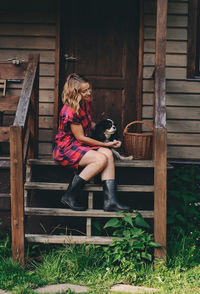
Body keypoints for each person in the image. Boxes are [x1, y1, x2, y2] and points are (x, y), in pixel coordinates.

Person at [53, 73, 129, 212]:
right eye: (85, 91)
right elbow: (80, 137)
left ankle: (110, 202)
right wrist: (106, 144)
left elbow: (88, 123)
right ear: (75, 93)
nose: (89, 92)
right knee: (100, 159)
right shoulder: (69, 111)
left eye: (89, 89)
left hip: (80, 144)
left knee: (108, 154)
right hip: (67, 147)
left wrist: (104, 132)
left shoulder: (85, 103)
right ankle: (69, 196)